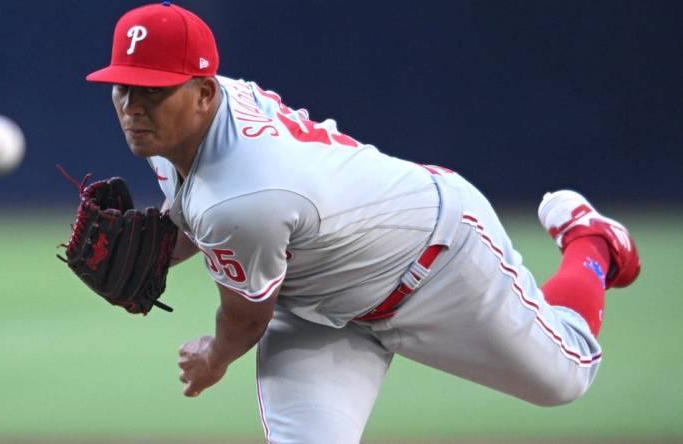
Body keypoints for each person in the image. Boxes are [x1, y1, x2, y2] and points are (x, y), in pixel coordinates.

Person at [85, 3, 641, 443]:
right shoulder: (188, 125)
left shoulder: (246, 192)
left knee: (565, 379)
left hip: (437, 261)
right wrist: (158, 243)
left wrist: (211, 360)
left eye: (153, 90)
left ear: (204, 93)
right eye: (124, 86)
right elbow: (199, 209)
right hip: (318, 304)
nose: (133, 105)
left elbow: (244, 320)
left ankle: (591, 239)